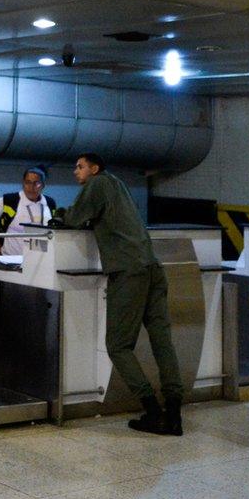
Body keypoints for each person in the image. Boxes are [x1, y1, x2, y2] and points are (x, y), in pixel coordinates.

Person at [51, 153, 183, 436]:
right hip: (151, 267)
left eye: (80, 166)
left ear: (94, 169)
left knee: (118, 345)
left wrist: (59, 214)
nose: (76, 172)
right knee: (162, 340)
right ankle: (174, 413)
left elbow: (75, 217)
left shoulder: (97, 185)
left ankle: (152, 410)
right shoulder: (119, 184)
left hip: (128, 271)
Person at [0, 166, 57, 256]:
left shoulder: (50, 203)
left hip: (39, 259)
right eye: (28, 182)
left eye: (36, 183)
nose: (31, 187)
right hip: (10, 258)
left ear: (43, 185)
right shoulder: (10, 200)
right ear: (23, 184)